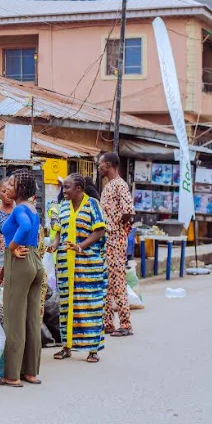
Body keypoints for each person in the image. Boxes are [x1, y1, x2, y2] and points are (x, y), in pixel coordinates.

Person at [50, 173, 107, 363]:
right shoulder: (63, 207)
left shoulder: (92, 205)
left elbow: (99, 231)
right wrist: (54, 245)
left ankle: (93, 350)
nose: (64, 191)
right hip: (66, 264)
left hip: (88, 265)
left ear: (79, 189)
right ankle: (67, 347)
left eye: (67, 187)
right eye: (63, 187)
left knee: (89, 306)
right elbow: (59, 232)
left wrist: (81, 246)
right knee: (66, 306)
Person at [0, 170, 45, 387]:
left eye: (11, 183)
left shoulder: (18, 209)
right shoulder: (32, 208)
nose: (8, 186)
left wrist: (11, 247)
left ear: (21, 189)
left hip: (20, 260)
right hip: (35, 260)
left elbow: (24, 227)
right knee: (32, 318)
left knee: (14, 318)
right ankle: (31, 372)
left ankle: (12, 374)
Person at [99, 152, 135, 336]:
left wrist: (118, 227)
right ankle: (107, 323)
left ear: (108, 165)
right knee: (106, 283)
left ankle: (125, 324)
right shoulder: (108, 186)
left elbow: (128, 210)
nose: (99, 167)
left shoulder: (120, 185)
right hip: (106, 239)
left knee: (118, 281)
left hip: (115, 239)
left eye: (101, 164)